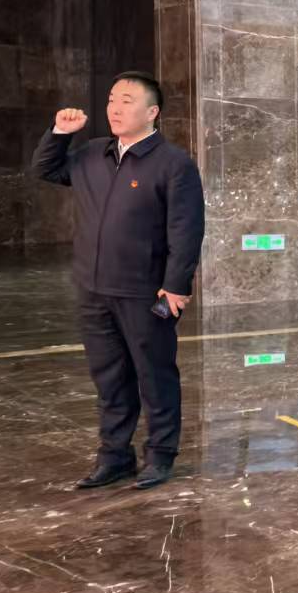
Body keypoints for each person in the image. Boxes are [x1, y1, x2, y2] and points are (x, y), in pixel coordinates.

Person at [32, 73, 204, 490]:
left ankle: (160, 455)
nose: (115, 108)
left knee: (154, 376)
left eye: (127, 101)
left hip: (146, 292)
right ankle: (114, 456)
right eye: (112, 99)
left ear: (152, 112)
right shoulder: (93, 153)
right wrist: (60, 133)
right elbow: (45, 169)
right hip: (93, 289)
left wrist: (176, 284)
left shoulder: (173, 163)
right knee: (109, 379)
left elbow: (186, 229)